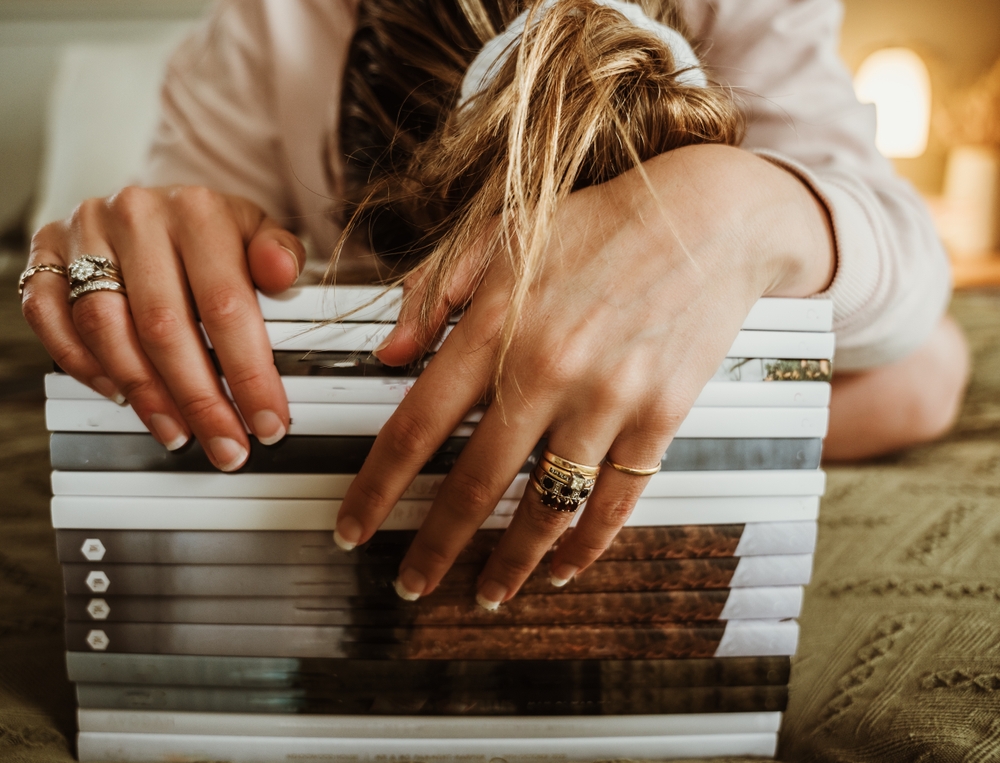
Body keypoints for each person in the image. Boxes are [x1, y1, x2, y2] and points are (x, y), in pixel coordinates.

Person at [20, 0, 968, 611]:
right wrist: (133, 255)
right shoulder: (261, 30)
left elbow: (912, 307)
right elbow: (167, 319)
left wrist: (740, 202)